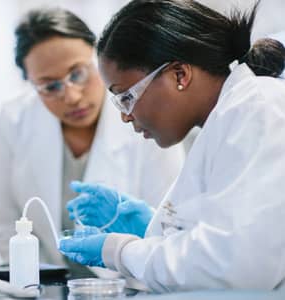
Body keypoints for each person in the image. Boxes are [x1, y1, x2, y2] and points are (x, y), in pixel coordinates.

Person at [59, 0, 285, 293]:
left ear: (180, 75)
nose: (126, 116)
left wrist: (119, 251)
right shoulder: (226, 118)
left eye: (126, 96)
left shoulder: (259, 108)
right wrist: (155, 229)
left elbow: (232, 265)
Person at [0, 7, 184, 273]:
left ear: (99, 57)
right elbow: (3, 220)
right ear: (31, 84)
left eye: (78, 73)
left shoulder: (148, 117)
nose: (72, 96)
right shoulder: (14, 119)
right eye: (50, 86)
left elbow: (172, 228)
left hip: (132, 284)